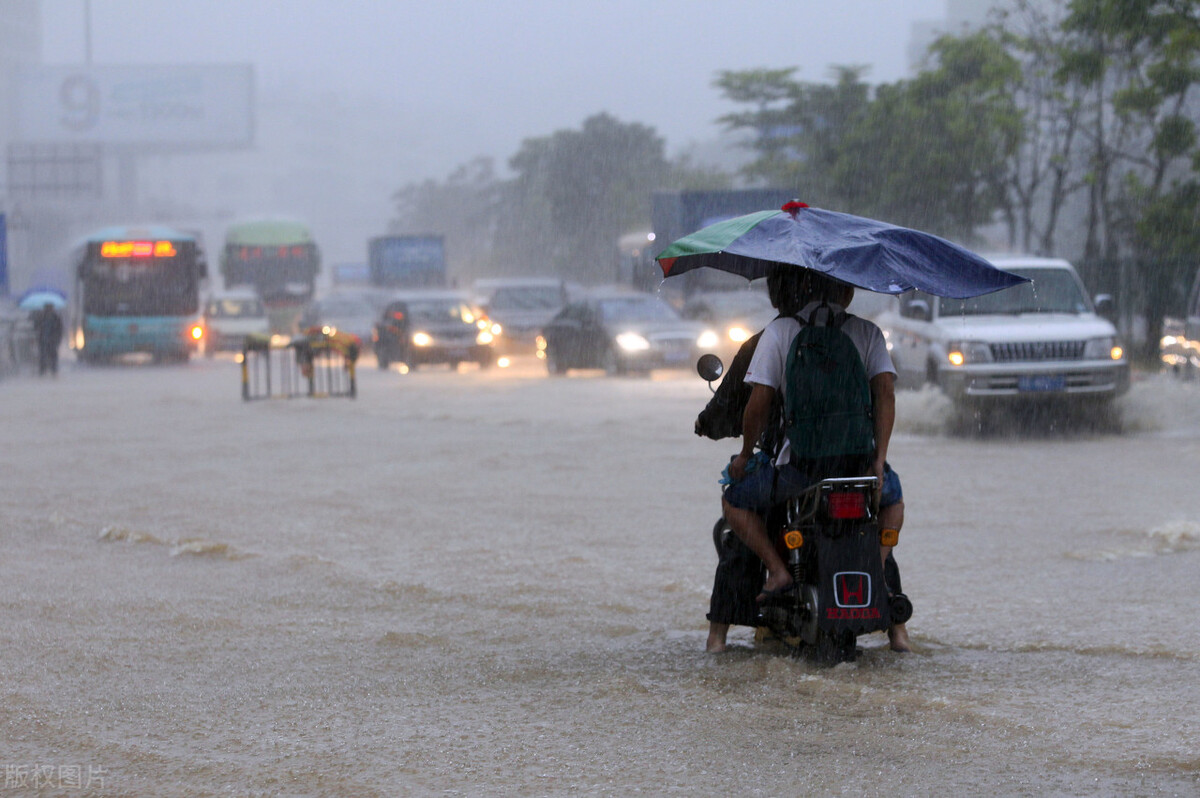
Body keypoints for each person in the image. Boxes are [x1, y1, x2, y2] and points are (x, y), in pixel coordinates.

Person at [707, 267, 911, 653]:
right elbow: (886, 395)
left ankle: (773, 578)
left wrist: (746, 455)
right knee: (892, 503)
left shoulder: (780, 332)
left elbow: (757, 403)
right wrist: (879, 460)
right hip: (858, 466)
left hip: (799, 469)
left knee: (734, 499)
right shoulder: (867, 333)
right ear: (848, 292)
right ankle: (891, 606)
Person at [31, 302, 64, 376]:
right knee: (44, 355)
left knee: (50, 354)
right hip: (44, 339)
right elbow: (36, 327)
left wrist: (57, 339)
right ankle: (45, 370)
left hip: (50, 340)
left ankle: (52, 370)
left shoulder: (55, 318)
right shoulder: (42, 317)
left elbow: (59, 329)